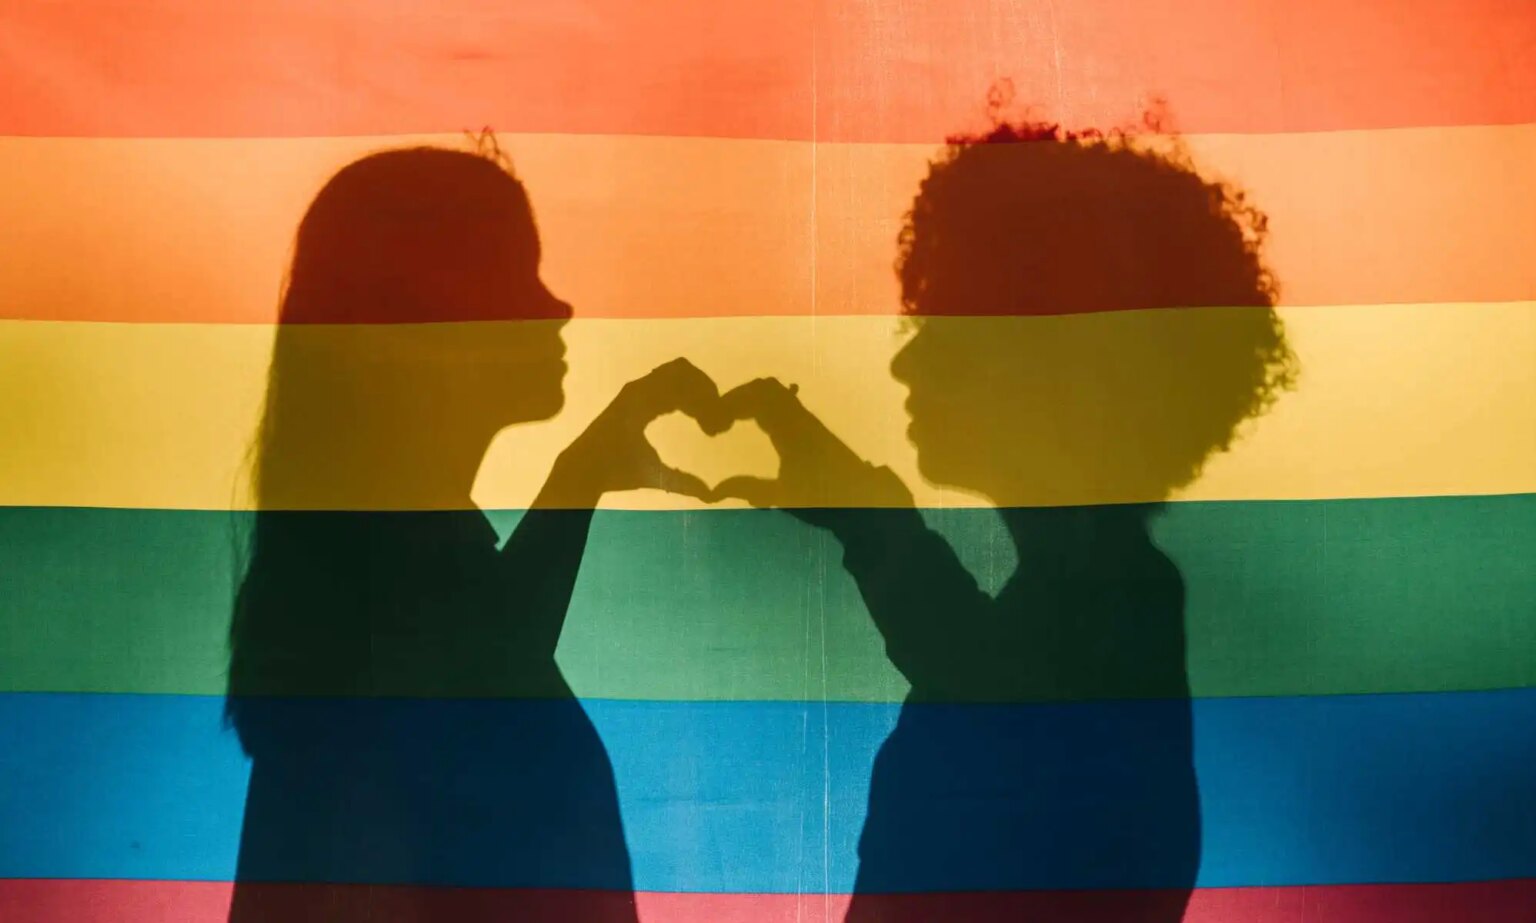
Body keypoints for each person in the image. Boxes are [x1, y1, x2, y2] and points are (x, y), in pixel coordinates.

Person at [713, 120, 1297, 921]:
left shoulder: (1119, 606)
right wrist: (869, 517)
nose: (905, 360)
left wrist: (872, 518)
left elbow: (995, 694)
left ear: (1056, 366)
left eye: (944, 326)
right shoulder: (1094, 605)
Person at [225, 145, 720, 922]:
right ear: (422, 317)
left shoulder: (374, 611)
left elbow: (484, 655)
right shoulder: (387, 648)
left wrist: (579, 476)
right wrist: (579, 476)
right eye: (517, 273)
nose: (558, 307)